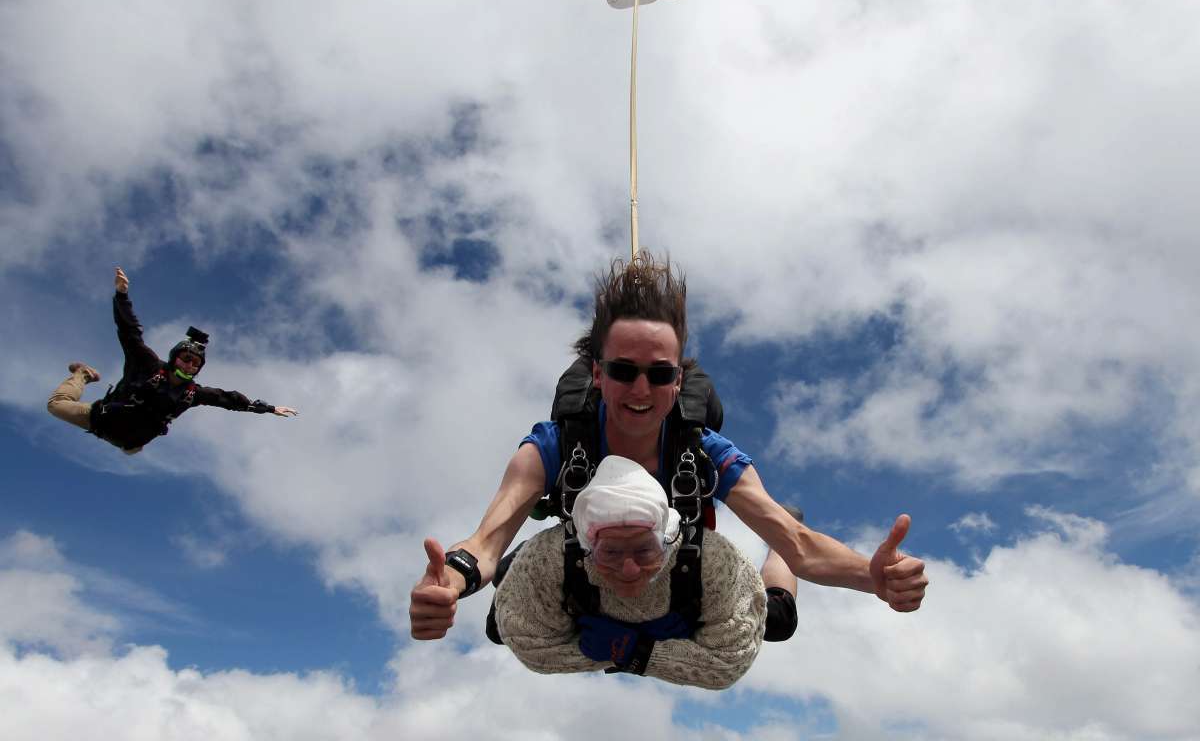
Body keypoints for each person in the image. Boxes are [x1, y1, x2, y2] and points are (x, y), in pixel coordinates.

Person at [410, 253, 927, 643]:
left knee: (778, 624)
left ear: (678, 381)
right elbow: (486, 541)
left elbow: (799, 542)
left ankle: (768, 575)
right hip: (595, 560)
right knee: (502, 620)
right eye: (622, 371)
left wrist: (871, 577)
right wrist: (452, 583)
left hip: (673, 564)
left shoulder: (701, 451)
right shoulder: (552, 446)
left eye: (658, 375)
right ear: (597, 372)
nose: (640, 391)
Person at [488, 455, 767, 689]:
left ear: (667, 539)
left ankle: (777, 554)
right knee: (499, 627)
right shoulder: (547, 559)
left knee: (778, 620)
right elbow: (533, 648)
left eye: (645, 550)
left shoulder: (714, 560)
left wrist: (635, 650)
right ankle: (512, 563)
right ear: (588, 548)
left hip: (688, 599)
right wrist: (637, 649)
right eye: (611, 552)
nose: (629, 569)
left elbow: (729, 662)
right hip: (555, 584)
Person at [46, 266, 299, 454]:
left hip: (129, 441)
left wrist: (269, 408)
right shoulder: (148, 364)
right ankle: (84, 374)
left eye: (195, 364)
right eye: (185, 359)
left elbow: (227, 399)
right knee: (56, 405)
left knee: (131, 449)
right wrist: (122, 296)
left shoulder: (192, 393)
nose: (189, 365)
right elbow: (130, 332)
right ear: (174, 358)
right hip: (98, 419)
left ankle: (129, 440)